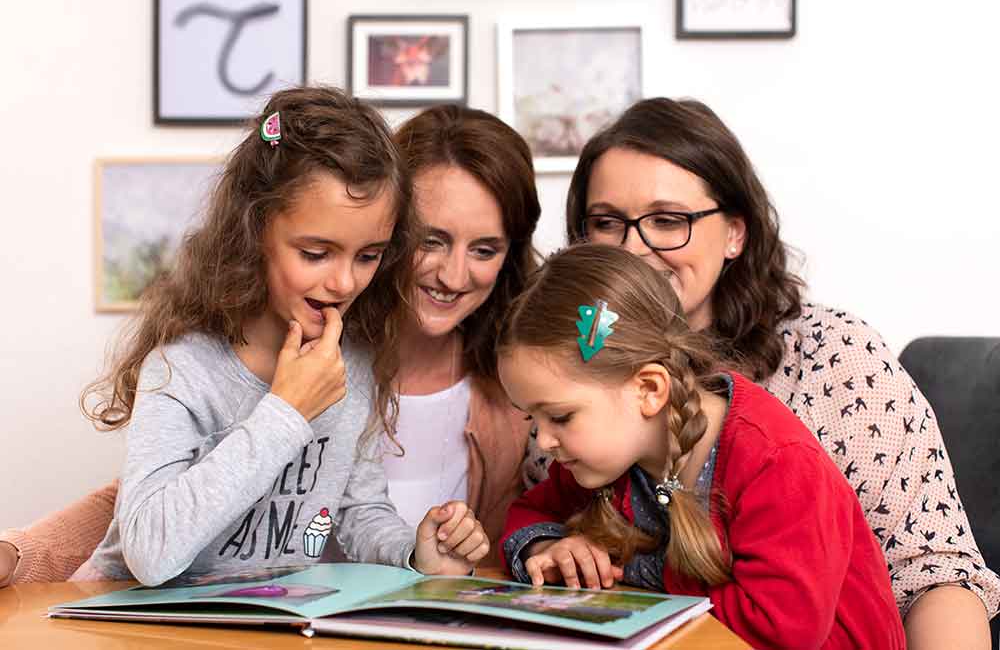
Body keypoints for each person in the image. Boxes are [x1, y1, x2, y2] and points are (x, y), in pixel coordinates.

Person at [523, 96, 999, 647]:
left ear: (734, 234)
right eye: (606, 223)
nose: (634, 249)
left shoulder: (835, 361)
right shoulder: (570, 384)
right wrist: (543, 547)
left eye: (668, 220)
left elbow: (934, 575)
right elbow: (549, 526)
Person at [0, 103, 538, 582]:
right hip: (129, 625)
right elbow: (145, 545)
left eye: (368, 256)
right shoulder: (184, 366)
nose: (345, 282)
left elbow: (355, 511)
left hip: (267, 616)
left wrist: (414, 554)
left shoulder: (357, 362)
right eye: (315, 253)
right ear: (255, 230)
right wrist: (288, 409)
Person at [499, 244, 905, 649]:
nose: (545, 440)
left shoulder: (775, 460)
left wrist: (635, 578)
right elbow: (530, 511)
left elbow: (781, 628)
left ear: (648, 389)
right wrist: (551, 546)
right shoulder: (607, 456)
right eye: (530, 418)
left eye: (561, 417)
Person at [384, 105, 539, 560]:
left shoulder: (519, 396)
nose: (453, 277)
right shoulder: (310, 361)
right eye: (431, 240)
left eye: (484, 249)